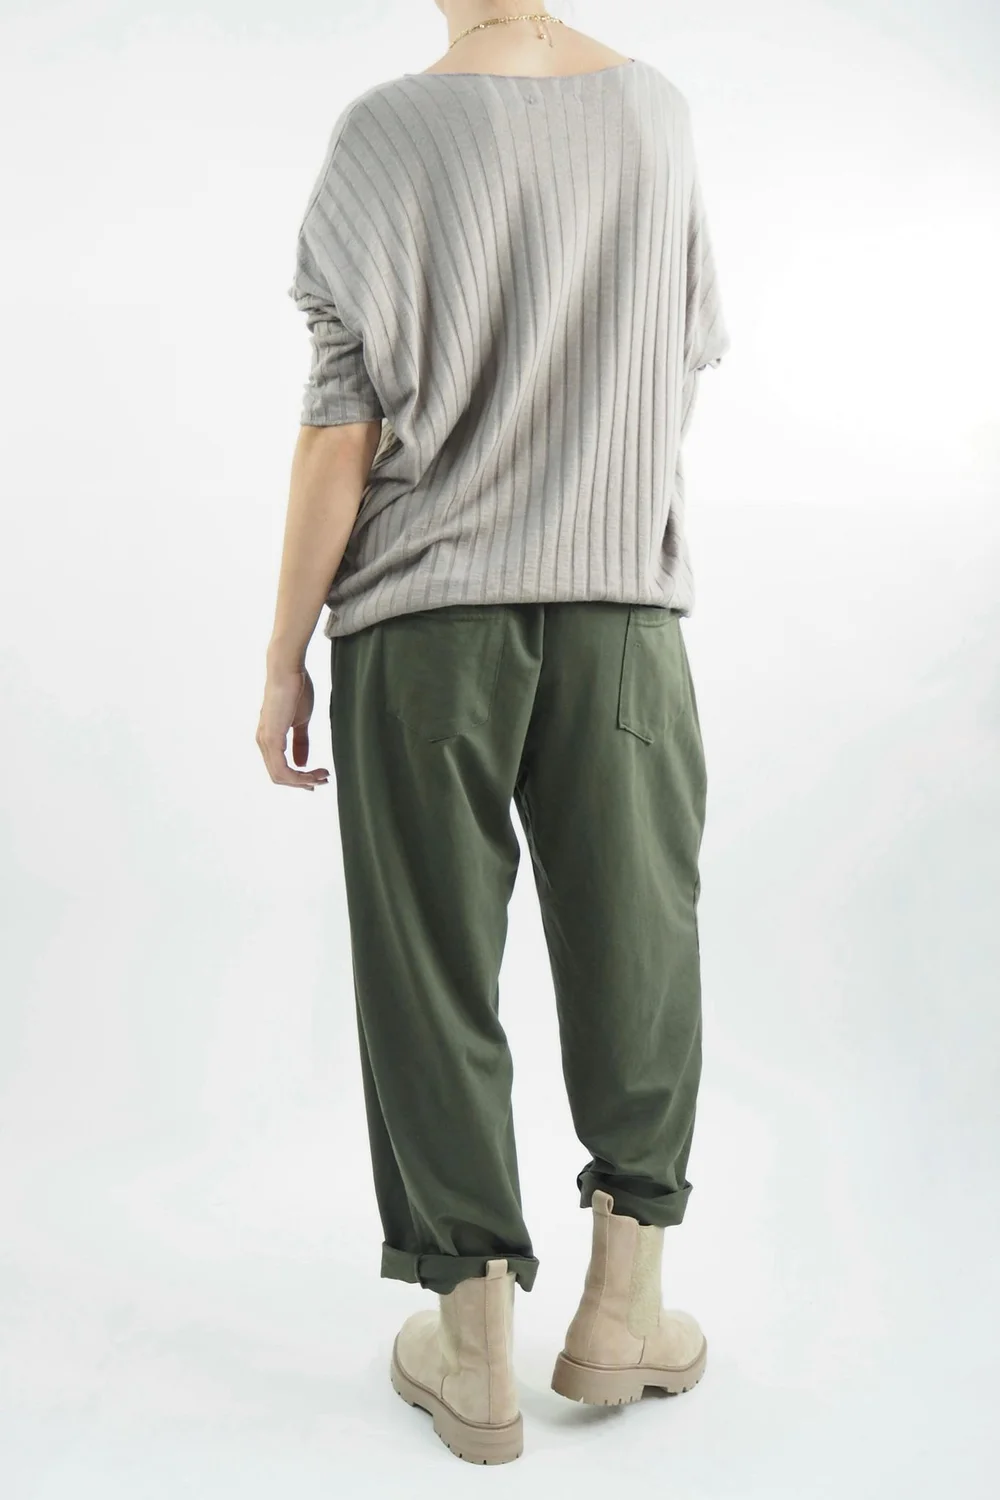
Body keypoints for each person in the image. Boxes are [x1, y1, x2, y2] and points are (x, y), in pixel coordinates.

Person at [257, 2, 730, 1466]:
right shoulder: (655, 115)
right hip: (619, 616)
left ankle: (472, 1355)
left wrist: (282, 654)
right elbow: (681, 358)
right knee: (640, 943)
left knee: (428, 967)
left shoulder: (384, 132)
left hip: (421, 630)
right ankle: (622, 1310)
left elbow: (342, 429)